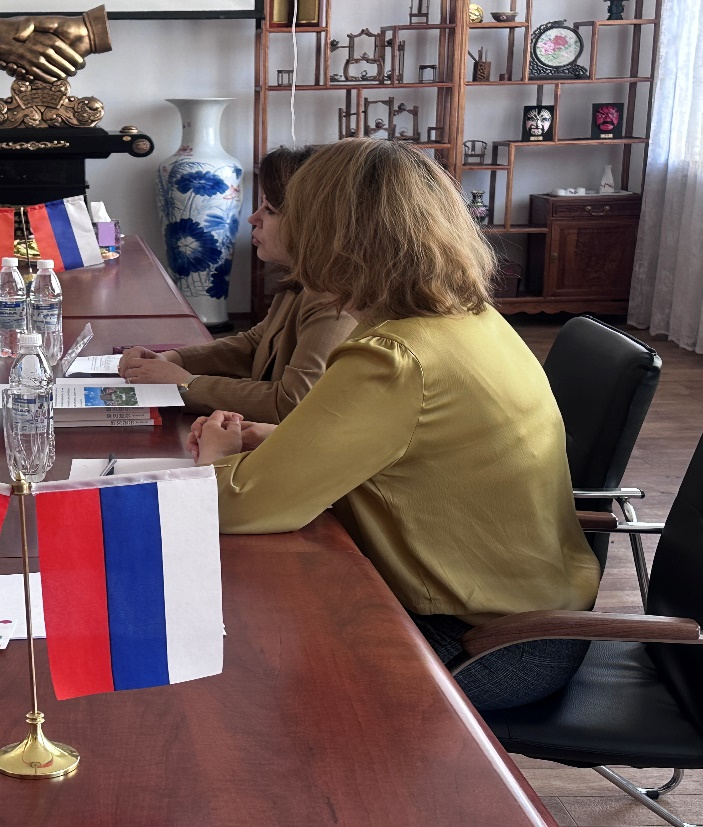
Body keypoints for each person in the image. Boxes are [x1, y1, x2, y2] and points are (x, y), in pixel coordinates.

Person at [190, 138, 600, 711]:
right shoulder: (468, 317)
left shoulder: (393, 357)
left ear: (328, 235)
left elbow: (239, 507)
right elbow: (419, 452)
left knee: (242, 670)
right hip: (540, 617)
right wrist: (282, 440)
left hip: (487, 642)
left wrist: (215, 455)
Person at [119, 146, 357, 423]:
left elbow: (292, 402)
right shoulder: (304, 279)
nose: (253, 218)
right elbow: (256, 344)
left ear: (313, 222)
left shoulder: (336, 297)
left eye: (270, 210)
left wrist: (185, 384)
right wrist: (173, 359)